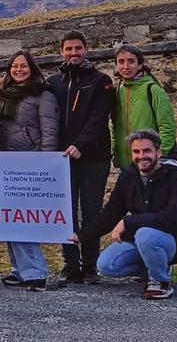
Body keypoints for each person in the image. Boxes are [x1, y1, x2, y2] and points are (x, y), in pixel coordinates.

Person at [73, 129, 177, 300]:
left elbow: (173, 217)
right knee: (106, 265)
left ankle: (160, 281)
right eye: (136, 151)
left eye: (147, 151)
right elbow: (111, 213)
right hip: (142, 239)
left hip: (176, 241)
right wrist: (81, 235)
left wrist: (128, 222)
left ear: (158, 153)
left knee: (145, 233)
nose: (141, 156)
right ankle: (155, 266)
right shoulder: (128, 176)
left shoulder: (176, 177)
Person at [47, 30, 115, 286]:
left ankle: (90, 266)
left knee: (91, 212)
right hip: (61, 160)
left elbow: (99, 117)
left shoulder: (101, 81)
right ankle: (70, 265)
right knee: (65, 214)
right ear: (62, 51)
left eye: (78, 48)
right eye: (69, 49)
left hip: (93, 157)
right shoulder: (54, 82)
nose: (73, 53)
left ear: (86, 50)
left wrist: (81, 144)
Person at [0, 49, 59, 291]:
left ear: (32, 69)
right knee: (10, 218)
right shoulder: (5, 93)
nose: (19, 70)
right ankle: (19, 269)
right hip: (7, 162)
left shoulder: (42, 95)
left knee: (23, 219)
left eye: (24, 66)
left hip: (31, 164)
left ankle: (35, 270)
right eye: (15, 66)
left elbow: (50, 132)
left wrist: (45, 164)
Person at [112, 44, 177, 168]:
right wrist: (115, 152)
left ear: (140, 64)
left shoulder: (153, 90)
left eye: (131, 61)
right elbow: (114, 125)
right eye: (121, 62)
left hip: (150, 163)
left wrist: (159, 155)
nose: (126, 66)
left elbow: (167, 126)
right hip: (126, 164)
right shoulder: (117, 92)